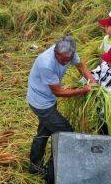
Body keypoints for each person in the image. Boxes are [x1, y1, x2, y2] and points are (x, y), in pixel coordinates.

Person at [26, 35, 95, 175]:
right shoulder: (46, 63)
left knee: (44, 131)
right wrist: (83, 90)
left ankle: (35, 165)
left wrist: (92, 82)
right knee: (66, 132)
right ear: (56, 53)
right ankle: (61, 166)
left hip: (48, 100)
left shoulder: (69, 52)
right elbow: (58, 91)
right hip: (41, 103)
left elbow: (81, 67)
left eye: (68, 60)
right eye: (63, 59)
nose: (65, 62)